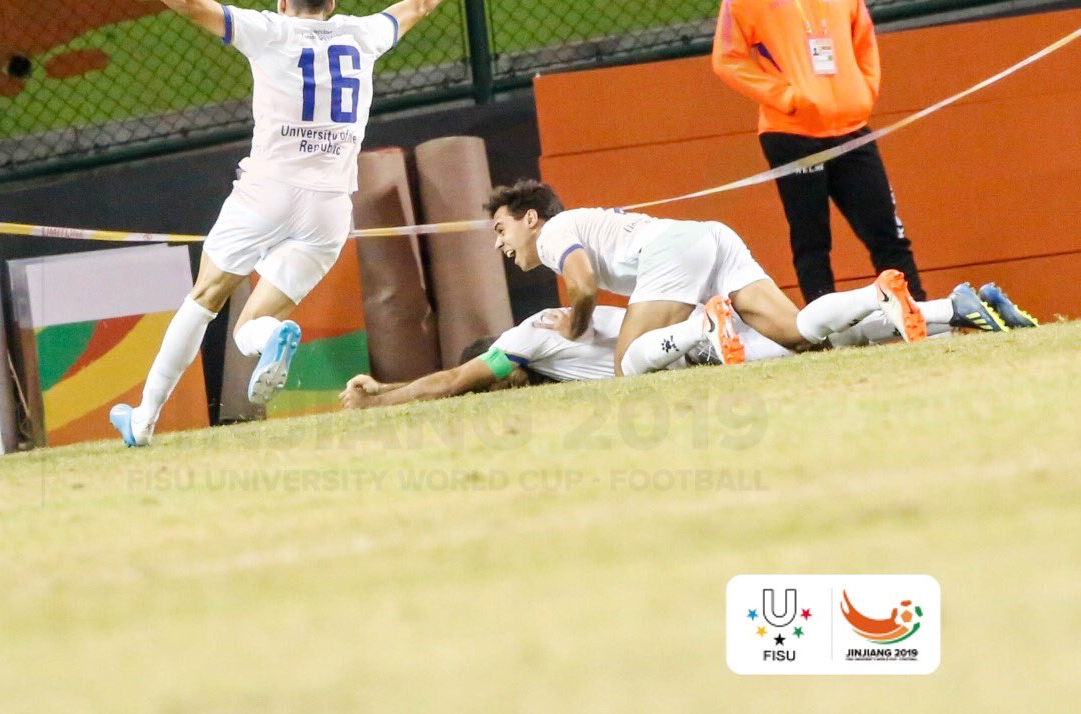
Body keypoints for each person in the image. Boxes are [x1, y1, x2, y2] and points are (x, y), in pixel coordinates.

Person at [88, 0, 509, 447]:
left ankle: (143, 420)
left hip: (267, 191)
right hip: (332, 207)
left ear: (282, 0)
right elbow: (422, 0)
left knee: (205, 298)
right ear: (332, 3)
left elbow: (189, 1)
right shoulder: (363, 35)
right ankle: (270, 336)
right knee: (250, 326)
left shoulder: (268, 31)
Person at [712, 0, 923, 302]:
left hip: (851, 126)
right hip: (791, 135)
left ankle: (918, 313)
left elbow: (863, 34)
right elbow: (727, 59)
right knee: (812, 242)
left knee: (887, 233)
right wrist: (787, 97)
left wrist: (865, 90)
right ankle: (823, 330)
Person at [483, 180, 935, 377]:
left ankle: (705, 327)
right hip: (710, 237)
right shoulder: (574, 224)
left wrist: (574, 326)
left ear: (530, 218)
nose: (500, 244)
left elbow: (581, 284)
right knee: (796, 335)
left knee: (625, 367)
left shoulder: (551, 235)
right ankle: (876, 295)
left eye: (501, 230)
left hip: (672, 250)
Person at [341, 281, 1024, 409]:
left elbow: (457, 381)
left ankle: (884, 296)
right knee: (821, 341)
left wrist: (384, 396)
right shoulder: (562, 321)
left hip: (701, 345)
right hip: (700, 333)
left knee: (813, 337)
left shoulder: (525, 340)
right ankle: (959, 306)